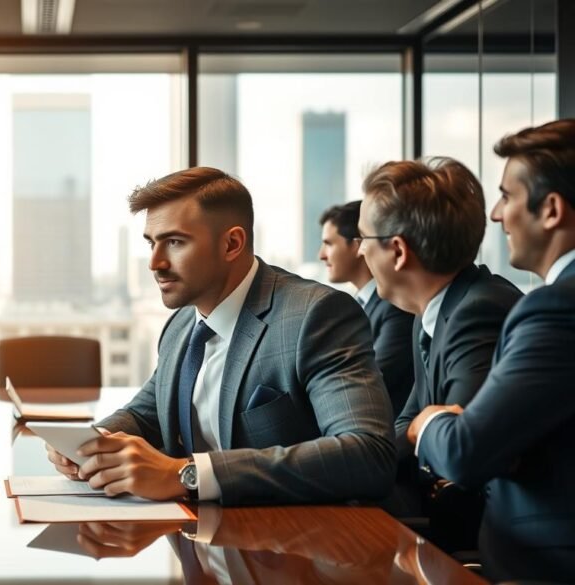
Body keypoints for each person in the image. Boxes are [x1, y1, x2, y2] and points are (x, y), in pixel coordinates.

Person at [47, 167, 395, 505]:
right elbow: (147, 413)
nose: (155, 262)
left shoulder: (316, 315)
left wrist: (186, 475)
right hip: (200, 542)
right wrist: (94, 444)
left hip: (297, 546)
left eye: (174, 242)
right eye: (151, 243)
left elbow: (367, 452)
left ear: (231, 243)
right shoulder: (182, 324)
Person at [409, 120, 575, 581]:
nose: (498, 214)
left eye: (507, 196)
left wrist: (430, 422)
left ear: (552, 210)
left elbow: (466, 451)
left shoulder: (557, 309)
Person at [357, 157, 522, 549]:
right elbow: (410, 422)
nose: (361, 253)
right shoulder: (431, 313)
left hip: (489, 541)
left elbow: (461, 446)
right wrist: (358, 457)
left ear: (397, 251)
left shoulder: (476, 312)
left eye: (362, 239)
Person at [318, 201, 414, 416]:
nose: (322, 255)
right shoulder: (358, 305)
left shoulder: (396, 308)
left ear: (358, 245)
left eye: (329, 244)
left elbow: (372, 382)